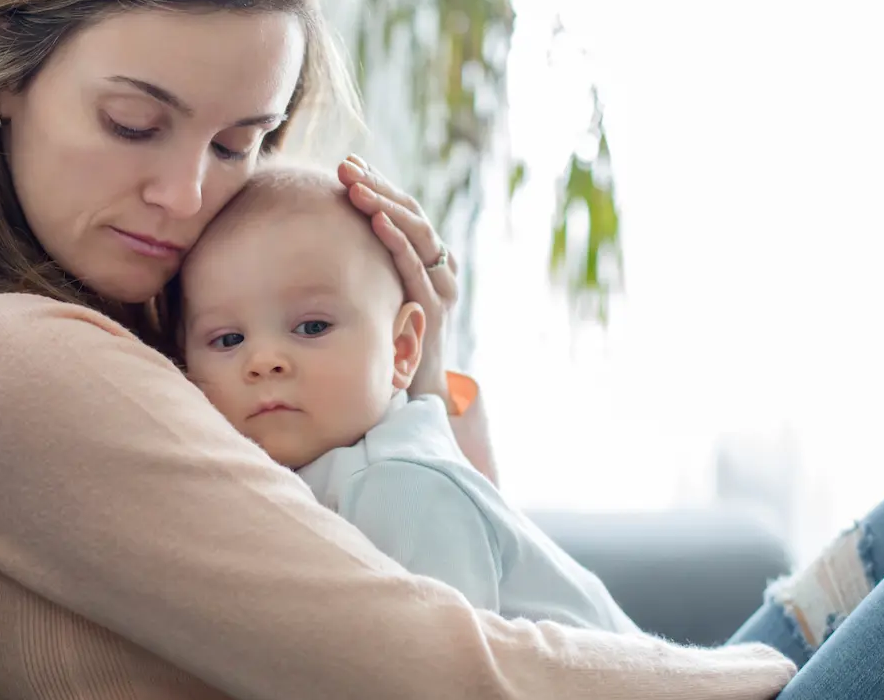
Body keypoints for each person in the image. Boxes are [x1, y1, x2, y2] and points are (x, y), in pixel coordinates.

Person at [0, 0, 884, 700]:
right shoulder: (0, 362)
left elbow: (454, 560)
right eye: (133, 121)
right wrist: (754, 674)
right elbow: (419, 659)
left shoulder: (139, 339)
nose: (187, 194)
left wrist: (418, 385)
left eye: (238, 142)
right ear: (3, 75)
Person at [179, 162, 640, 632]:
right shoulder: (323, 472)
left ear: (402, 349)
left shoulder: (398, 482)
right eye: (228, 339)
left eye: (312, 326)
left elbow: (452, 672)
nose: (263, 360)